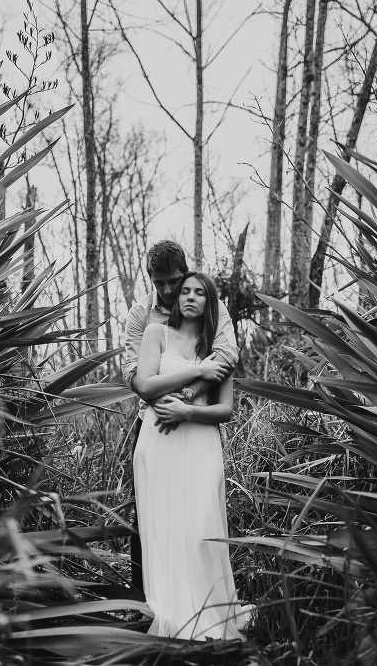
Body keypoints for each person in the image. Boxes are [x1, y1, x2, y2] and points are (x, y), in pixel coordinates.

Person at [132, 272, 249, 640]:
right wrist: (199, 370)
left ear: (210, 302)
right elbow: (145, 383)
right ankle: (169, 613)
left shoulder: (220, 347)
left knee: (200, 527)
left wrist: (187, 412)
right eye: (185, 291)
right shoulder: (157, 334)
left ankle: (209, 612)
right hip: (158, 442)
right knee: (163, 528)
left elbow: (226, 410)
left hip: (201, 443)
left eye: (200, 293)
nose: (191, 298)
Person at [122, 241, 238, 592]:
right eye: (161, 283)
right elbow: (135, 377)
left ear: (185, 271)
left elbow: (225, 355)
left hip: (195, 423)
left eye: (175, 281)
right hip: (153, 421)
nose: (170, 291)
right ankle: (145, 600)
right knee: (149, 515)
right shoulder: (142, 315)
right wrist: (165, 401)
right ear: (151, 279)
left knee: (198, 513)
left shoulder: (213, 310)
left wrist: (184, 404)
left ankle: (197, 591)